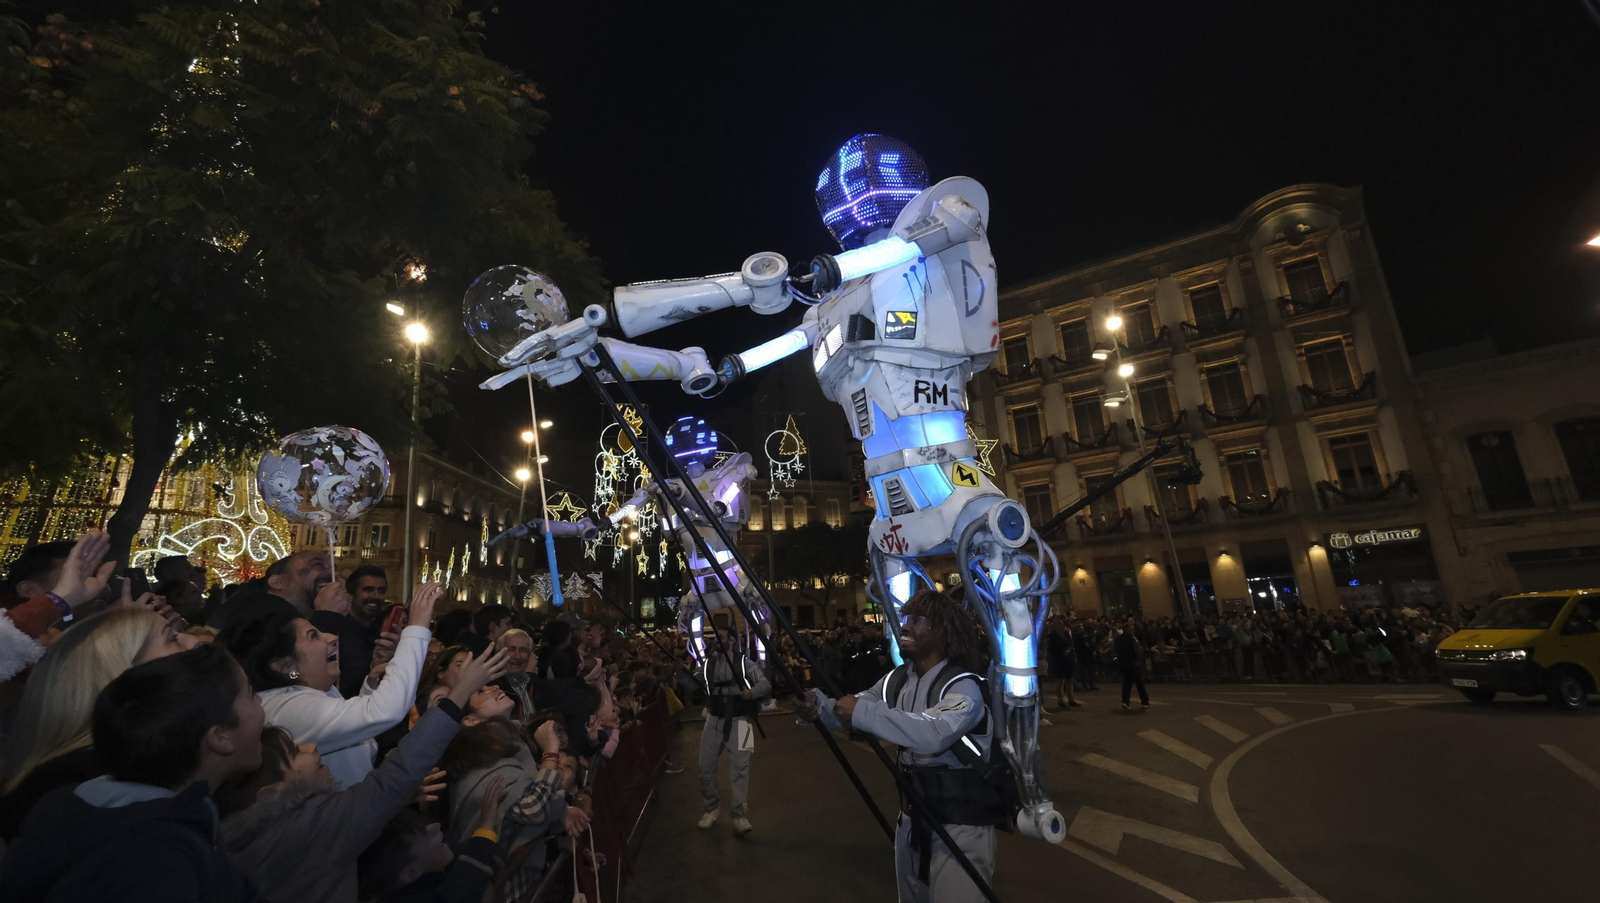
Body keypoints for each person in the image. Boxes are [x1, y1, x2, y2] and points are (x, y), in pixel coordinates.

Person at [214, 646, 507, 903]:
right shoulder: (312, 828)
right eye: (294, 754)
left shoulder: (251, 835)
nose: (310, 746)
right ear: (272, 793)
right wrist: (459, 694)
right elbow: (400, 771)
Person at [0, 644, 266, 901]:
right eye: (252, 694)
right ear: (221, 737)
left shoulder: (90, 807)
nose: (262, 704)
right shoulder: (154, 860)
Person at [802, 589, 1004, 903]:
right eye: (905, 619)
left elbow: (934, 731)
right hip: (911, 822)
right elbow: (855, 710)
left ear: (944, 632)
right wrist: (819, 708)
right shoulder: (897, 680)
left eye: (918, 621)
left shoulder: (963, 686)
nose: (905, 626)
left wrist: (863, 712)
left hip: (961, 826)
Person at [0, 605, 202, 840]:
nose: (194, 641)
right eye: (173, 638)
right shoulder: (87, 789)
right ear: (121, 672)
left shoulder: (81, 776)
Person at [220, 581, 441, 788]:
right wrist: (417, 627)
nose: (331, 638)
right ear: (286, 665)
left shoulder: (314, 691)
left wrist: (370, 689)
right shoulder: (286, 707)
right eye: (313, 635)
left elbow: (352, 729)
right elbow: (384, 711)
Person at [441, 704, 577, 897]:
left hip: (525, 882)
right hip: (506, 890)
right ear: (471, 721)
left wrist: (559, 809)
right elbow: (533, 809)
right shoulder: (481, 769)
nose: (495, 687)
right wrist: (550, 753)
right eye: (482, 690)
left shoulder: (511, 753)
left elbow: (529, 801)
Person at [697, 621, 770, 834]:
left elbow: (765, 684)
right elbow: (693, 682)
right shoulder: (708, 664)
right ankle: (711, 808)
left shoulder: (744, 662)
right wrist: (679, 673)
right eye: (716, 635)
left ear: (731, 641)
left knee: (741, 768)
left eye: (722, 635)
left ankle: (739, 815)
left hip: (741, 720)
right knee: (705, 768)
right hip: (713, 719)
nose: (717, 638)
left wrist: (751, 692)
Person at [356, 801, 508, 903]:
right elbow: (456, 895)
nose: (436, 826)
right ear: (410, 873)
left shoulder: (435, 864)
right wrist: (486, 827)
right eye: (426, 834)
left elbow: (492, 856)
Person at [314, 563, 397, 699]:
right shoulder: (335, 630)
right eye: (368, 590)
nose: (376, 596)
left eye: (381, 591)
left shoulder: (382, 633)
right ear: (351, 595)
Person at [492, 627, 536, 717]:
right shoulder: (491, 688)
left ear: (530, 655)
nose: (517, 656)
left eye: (523, 650)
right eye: (511, 650)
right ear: (499, 654)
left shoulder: (536, 685)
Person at [1115, 620, 1149, 710]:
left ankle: (1125, 701)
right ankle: (1144, 701)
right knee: (1139, 683)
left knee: (1127, 683)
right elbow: (1138, 650)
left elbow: (1114, 650)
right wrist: (1140, 657)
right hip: (1133, 663)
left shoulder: (1118, 639)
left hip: (1123, 663)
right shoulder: (1132, 638)